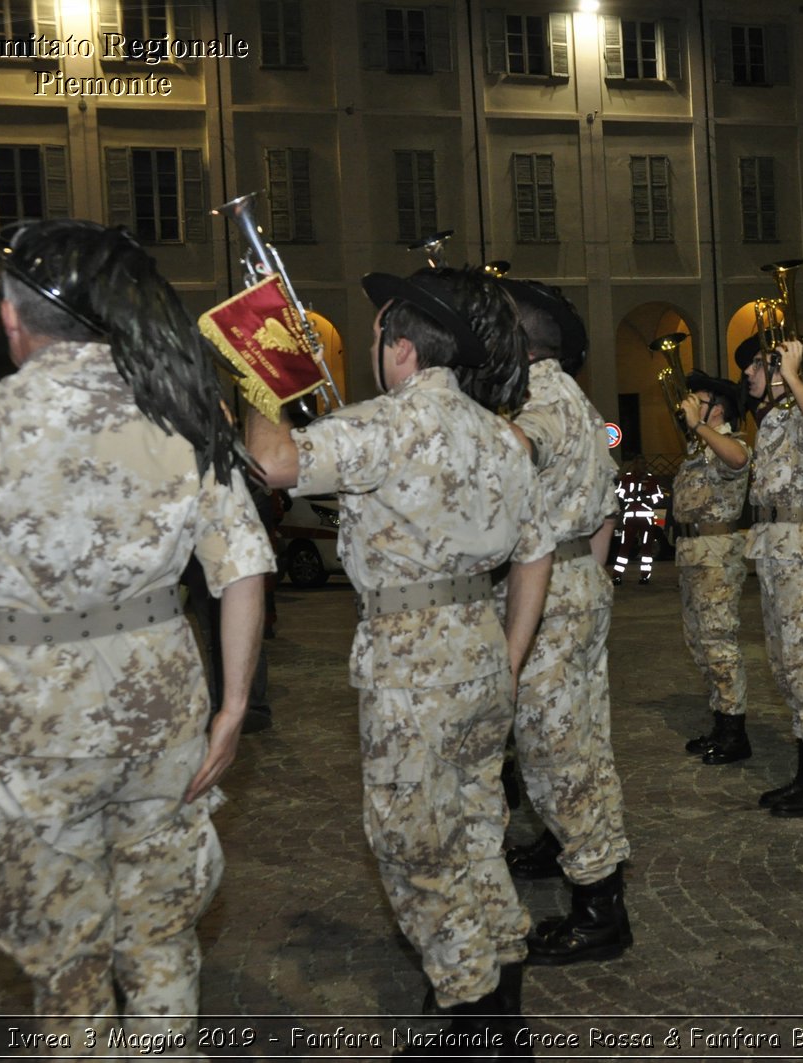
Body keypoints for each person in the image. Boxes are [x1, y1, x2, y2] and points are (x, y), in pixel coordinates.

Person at [0, 219, 275, 1047]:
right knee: (162, 932)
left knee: (64, 953)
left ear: (12, 319)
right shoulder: (177, 404)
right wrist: (235, 704)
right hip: (163, 708)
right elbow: (241, 567)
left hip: (33, 720)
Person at [247, 265, 552, 1050]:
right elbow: (536, 556)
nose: (376, 346)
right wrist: (510, 658)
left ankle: (469, 1011)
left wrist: (260, 380)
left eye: (380, 331)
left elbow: (274, 463)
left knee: (414, 843)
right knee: (479, 825)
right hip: (482, 646)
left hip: (410, 658)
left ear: (405, 351)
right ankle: (501, 984)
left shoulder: (384, 424)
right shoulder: (504, 435)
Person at [495, 278, 632, 968]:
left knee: (552, 751)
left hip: (549, 588)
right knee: (581, 736)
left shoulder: (539, 396)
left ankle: (599, 905)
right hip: (575, 578)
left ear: (523, 343)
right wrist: (592, 576)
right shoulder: (577, 397)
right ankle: (569, 850)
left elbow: (514, 448)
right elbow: (607, 501)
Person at [738, 334, 803, 817]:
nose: (747, 374)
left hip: (798, 549)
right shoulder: (773, 418)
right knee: (784, 665)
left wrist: (795, 375)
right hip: (774, 549)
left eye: (758, 365)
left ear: (782, 369)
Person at [673, 370, 753, 765]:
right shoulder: (697, 450)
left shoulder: (730, 444)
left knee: (719, 642)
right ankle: (721, 722)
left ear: (717, 410)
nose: (687, 406)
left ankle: (735, 731)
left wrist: (700, 426)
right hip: (693, 554)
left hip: (716, 554)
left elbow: (738, 459)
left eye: (698, 401)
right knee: (699, 643)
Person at [611, 459, 664, 584]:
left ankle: (645, 576)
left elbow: (659, 496)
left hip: (646, 518)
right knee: (625, 546)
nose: (643, 466)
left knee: (646, 548)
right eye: (641, 463)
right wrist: (629, 495)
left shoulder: (652, 480)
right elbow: (619, 493)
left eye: (645, 464)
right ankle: (617, 576)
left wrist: (647, 497)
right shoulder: (627, 478)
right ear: (635, 464)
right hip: (630, 518)